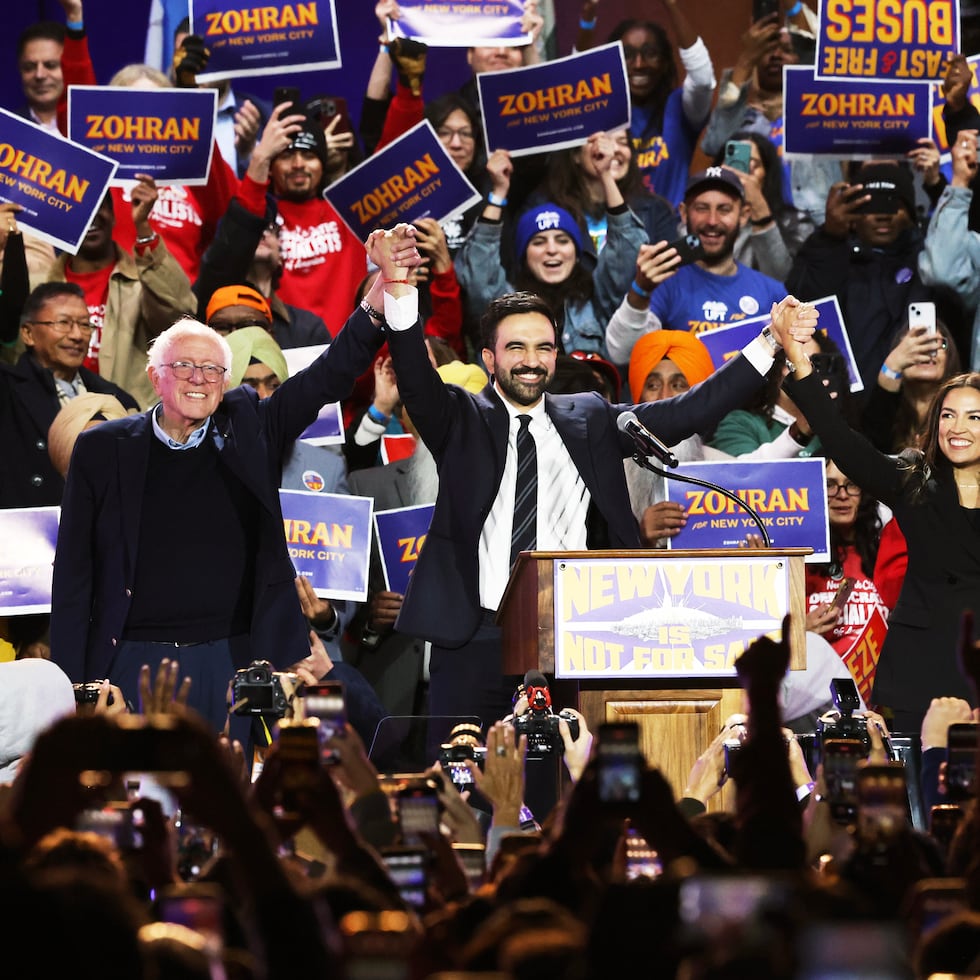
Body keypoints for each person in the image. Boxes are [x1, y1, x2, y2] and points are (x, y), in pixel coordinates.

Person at [382, 274, 816, 755]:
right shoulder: (460, 417)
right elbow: (418, 383)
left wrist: (769, 343)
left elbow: (688, 411)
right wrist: (400, 288)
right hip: (473, 637)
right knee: (460, 782)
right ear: (489, 358)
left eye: (544, 347)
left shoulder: (588, 418)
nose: (531, 361)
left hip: (571, 640)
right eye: (516, 348)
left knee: (560, 787)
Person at [48, 228, 419, 730]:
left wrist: (380, 290)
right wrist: (74, 682)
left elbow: (331, 372)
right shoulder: (101, 449)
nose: (199, 378)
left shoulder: (252, 429)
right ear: (155, 377)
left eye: (213, 369)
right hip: (129, 658)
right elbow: (73, 576)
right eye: (184, 366)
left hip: (234, 659)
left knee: (231, 796)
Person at [780, 303, 980, 732]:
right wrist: (798, 359)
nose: (957, 427)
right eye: (948, 414)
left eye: (973, 417)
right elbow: (842, 440)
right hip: (920, 674)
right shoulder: (912, 481)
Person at [456, 143, 646, 357]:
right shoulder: (505, 304)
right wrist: (498, 192)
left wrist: (605, 175)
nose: (552, 250)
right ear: (523, 256)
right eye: (538, 242)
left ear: (577, 254)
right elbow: (479, 266)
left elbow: (628, 247)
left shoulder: (597, 298)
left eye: (563, 240)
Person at [605, 168, 786, 365]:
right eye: (702, 208)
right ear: (683, 213)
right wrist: (640, 291)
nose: (712, 221)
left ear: (744, 215)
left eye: (724, 209)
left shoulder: (772, 292)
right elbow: (622, 353)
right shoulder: (663, 282)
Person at [46, 180, 196, 409]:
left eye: (99, 206)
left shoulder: (144, 284)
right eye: (81, 208)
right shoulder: (41, 287)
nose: (92, 216)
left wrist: (143, 228)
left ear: (114, 215)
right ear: (64, 218)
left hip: (128, 424)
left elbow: (179, 316)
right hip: (53, 421)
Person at [786, 161, 933, 392]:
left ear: (911, 213)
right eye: (871, 205)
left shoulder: (930, 261)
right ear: (852, 214)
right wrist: (830, 236)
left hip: (916, 402)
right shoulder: (832, 256)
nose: (883, 215)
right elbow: (806, 300)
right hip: (849, 402)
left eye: (893, 204)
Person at [0, 283, 139, 508]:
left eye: (85, 325)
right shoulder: (6, 390)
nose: (77, 335)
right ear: (28, 334)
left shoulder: (114, 397)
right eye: (63, 323)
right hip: (23, 528)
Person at [603, 9, 716, 207]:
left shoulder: (679, 107)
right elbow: (576, 90)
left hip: (670, 232)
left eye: (650, 53)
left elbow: (703, 81)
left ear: (664, 63)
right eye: (627, 55)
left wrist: (671, 4)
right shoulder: (602, 111)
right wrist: (587, 21)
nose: (639, 64)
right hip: (614, 230)